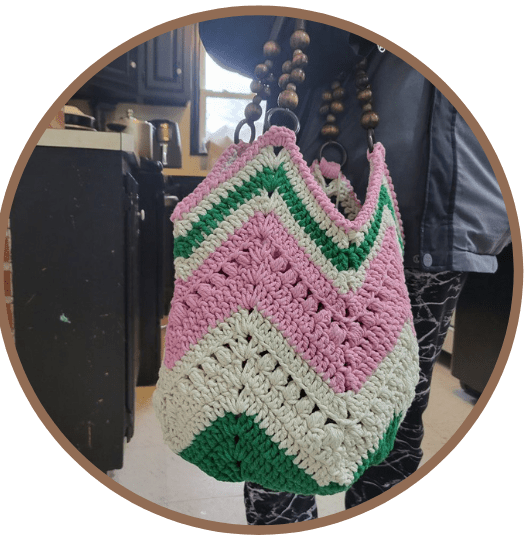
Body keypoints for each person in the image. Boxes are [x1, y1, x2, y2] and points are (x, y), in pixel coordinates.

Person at [198, 16, 511, 524]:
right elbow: (232, 35)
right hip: (326, 200)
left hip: (443, 213)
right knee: (273, 405)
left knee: (393, 419)